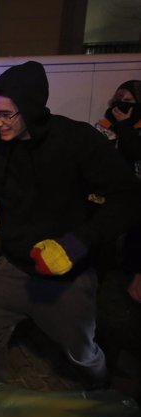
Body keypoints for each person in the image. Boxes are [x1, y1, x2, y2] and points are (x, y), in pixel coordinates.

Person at [0, 61, 141, 388]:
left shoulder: (76, 140)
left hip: (68, 274)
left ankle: (102, 393)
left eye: (6, 114)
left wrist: (76, 243)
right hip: (13, 266)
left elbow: (127, 196)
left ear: (31, 108)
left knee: (80, 350)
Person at [96, 80, 141, 304]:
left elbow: (134, 152)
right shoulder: (105, 124)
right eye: (118, 100)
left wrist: (124, 127)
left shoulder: (136, 128)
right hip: (109, 196)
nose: (121, 106)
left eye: (128, 102)